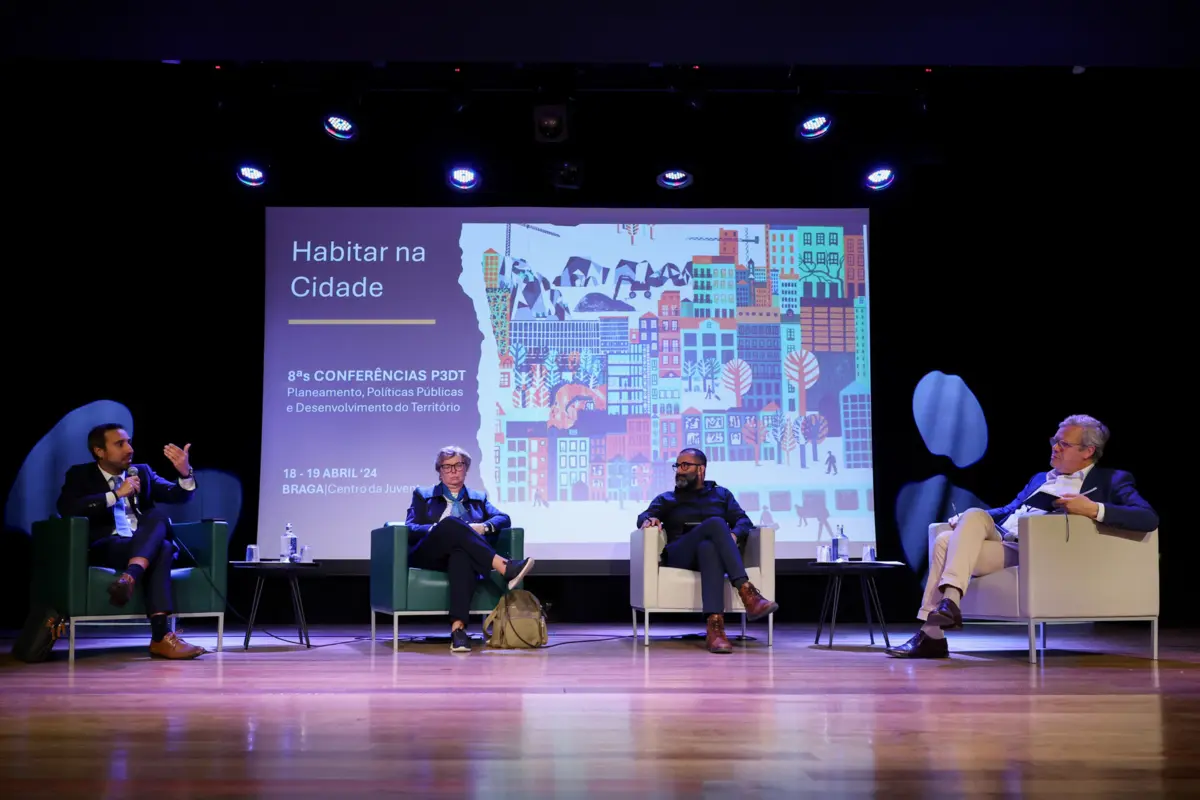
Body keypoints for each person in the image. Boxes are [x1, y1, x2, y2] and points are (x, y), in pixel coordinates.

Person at [887, 414, 1159, 659]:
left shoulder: (1113, 480)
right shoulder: (1040, 478)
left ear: (1088, 451)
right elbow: (1008, 511)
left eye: (1064, 444)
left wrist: (1093, 509)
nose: (1055, 447)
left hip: (1036, 550)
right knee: (959, 526)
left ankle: (933, 632)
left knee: (946, 543)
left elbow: (1148, 518)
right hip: (1005, 541)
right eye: (1055, 440)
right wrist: (968, 520)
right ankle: (944, 613)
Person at [55, 423, 206, 659]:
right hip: (107, 546)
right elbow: (67, 508)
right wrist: (115, 494)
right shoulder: (80, 475)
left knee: (159, 524)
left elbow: (178, 496)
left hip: (140, 545)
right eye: (120, 444)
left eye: (129, 442)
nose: (129, 449)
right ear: (99, 451)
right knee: (162, 547)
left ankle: (130, 578)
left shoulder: (141, 472)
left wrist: (185, 473)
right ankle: (160, 638)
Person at [636, 447, 779, 654]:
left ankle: (716, 629)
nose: (679, 470)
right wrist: (650, 519)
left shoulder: (721, 495)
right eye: (677, 466)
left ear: (701, 469)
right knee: (716, 523)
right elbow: (643, 516)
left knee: (709, 547)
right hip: (680, 554)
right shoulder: (667, 499)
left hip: (708, 555)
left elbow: (743, 520)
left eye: (686, 465)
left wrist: (733, 535)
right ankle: (747, 592)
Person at [405, 445, 534, 653]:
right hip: (428, 554)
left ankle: (458, 631)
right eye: (447, 467)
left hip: (460, 556)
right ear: (439, 471)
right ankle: (504, 567)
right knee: (450, 524)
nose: (453, 470)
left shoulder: (478, 498)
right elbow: (410, 527)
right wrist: (438, 529)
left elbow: (503, 518)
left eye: (458, 465)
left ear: (466, 468)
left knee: (461, 556)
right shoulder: (423, 494)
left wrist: (483, 527)